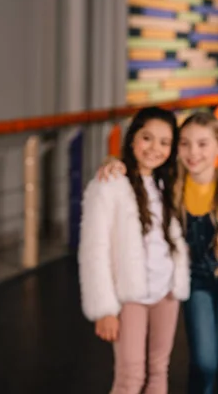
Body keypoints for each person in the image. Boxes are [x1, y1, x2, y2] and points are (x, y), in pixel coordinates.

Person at [96, 111, 218, 393]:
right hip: (195, 280)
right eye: (185, 144)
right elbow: (138, 174)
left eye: (203, 144)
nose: (193, 152)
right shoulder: (171, 185)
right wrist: (113, 163)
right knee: (203, 363)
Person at [78, 106, 190, 394]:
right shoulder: (108, 184)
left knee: (158, 370)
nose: (155, 148)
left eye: (165, 142)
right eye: (147, 138)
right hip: (130, 296)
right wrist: (104, 309)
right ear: (132, 139)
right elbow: (94, 251)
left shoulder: (167, 182)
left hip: (166, 291)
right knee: (130, 376)